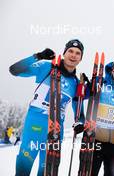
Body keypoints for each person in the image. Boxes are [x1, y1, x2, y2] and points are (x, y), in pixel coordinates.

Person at [9, 39, 86, 176]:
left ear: (80, 59)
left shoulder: (75, 83)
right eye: (70, 51)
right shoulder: (46, 67)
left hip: (56, 131)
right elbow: (14, 70)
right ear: (64, 53)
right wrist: (37, 56)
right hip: (35, 123)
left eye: (78, 53)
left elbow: (79, 112)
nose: (73, 55)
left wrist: (80, 123)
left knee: (47, 171)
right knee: (24, 166)